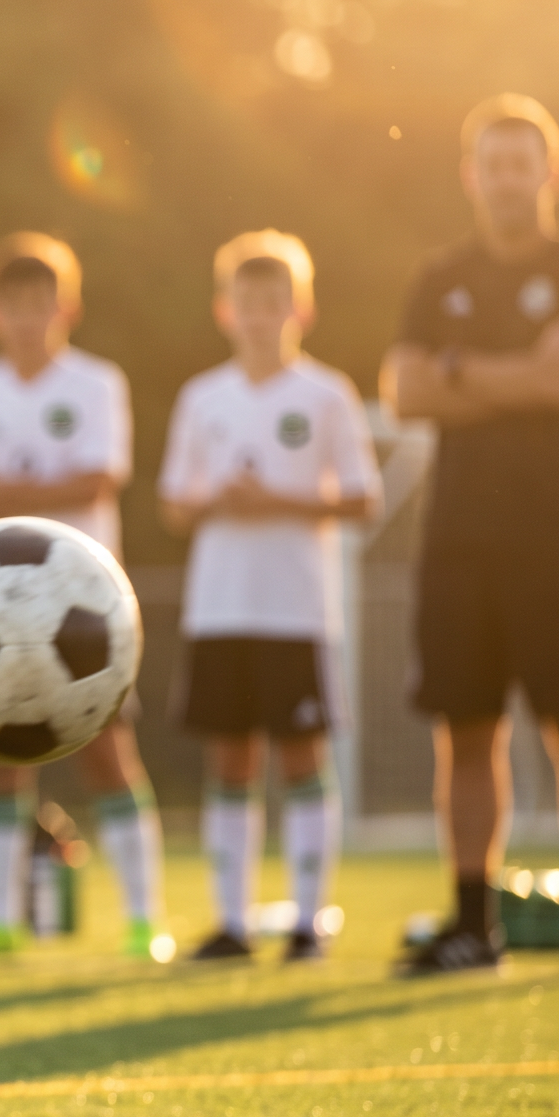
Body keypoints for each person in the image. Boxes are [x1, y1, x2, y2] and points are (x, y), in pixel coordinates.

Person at [382, 93, 559, 979]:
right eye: (492, 166)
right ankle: (469, 927)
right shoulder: (437, 277)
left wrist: (462, 373)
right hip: (458, 539)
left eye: (522, 165)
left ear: (550, 174)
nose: (507, 182)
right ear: (470, 177)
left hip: (557, 539)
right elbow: (405, 391)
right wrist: (511, 373)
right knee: (466, 733)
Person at [0, 234, 165, 958]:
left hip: (84, 605)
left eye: (42, 304)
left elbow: (97, 480)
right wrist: (26, 494)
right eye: (14, 306)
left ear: (67, 307)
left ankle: (143, 918)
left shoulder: (97, 384)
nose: (28, 319)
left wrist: (12, 495)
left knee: (106, 751)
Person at [158, 233, 381, 963]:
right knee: (231, 761)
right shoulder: (202, 396)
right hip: (220, 607)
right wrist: (217, 499)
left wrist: (279, 501)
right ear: (226, 311)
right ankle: (231, 922)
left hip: (296, 608)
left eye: (274, 304)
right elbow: (173, 505)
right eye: (248, 304)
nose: (261, 318)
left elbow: (361, 500)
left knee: (302, 759)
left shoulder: (326, 394)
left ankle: (307, 923)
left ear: (302, 310)